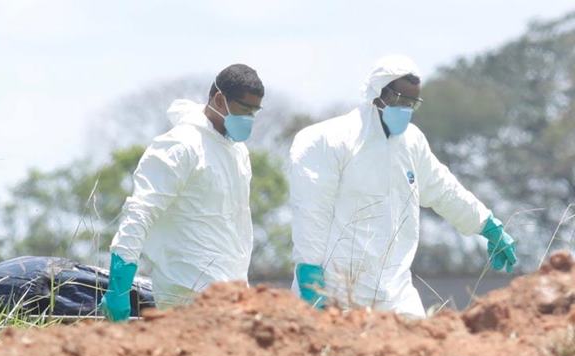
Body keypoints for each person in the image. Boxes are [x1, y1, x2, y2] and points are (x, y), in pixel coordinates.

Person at [288, 55, 518, 318]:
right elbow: (311, 212)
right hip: (338, 294)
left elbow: (443, 189)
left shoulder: (411, 142)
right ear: (378, 94)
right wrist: (311, 280)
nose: (406, 108)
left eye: (412, 102)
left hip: (394, 294)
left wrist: (487, 224)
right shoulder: (332, 140)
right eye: (400, 99)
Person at [101, 63, 264, 322]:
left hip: (232, 288)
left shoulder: (237, 152)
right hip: (185, 288)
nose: (249, 120)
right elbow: (140, 213)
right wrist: (119, 286)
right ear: (220, 100)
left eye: (254, 112)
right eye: (244, 110)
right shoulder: (180, 145)